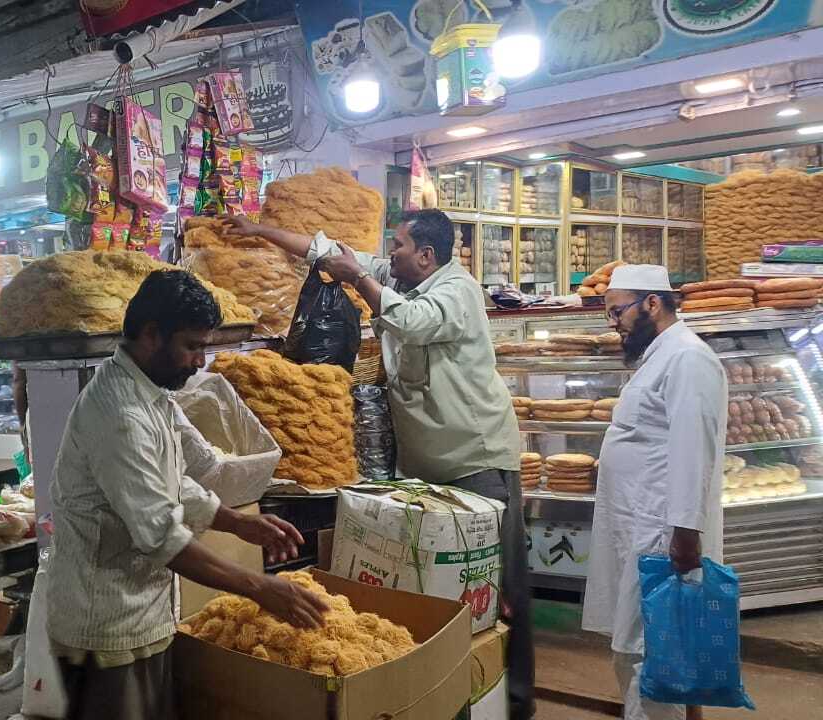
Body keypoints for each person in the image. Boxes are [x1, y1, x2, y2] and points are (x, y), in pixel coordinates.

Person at [223, 210, 533, 718]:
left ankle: (514, 703)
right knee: (444, 594)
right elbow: (328, 251)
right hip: (426, 467)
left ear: (426, 255)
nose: (390, 253)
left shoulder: (457, 291)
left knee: (500, 591)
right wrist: (261, 231)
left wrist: (359, 280)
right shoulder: (400, 275)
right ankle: (449, 695)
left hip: (475, 459)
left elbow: (409, 322)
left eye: (399, 245)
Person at [47, 269, 329, 720]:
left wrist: (238, 522)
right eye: (192, 346)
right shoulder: (120, 415)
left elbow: (173, 480)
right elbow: (161, 536)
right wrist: (259, 587)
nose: (200, 362)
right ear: (151, 334)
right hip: (107, 623)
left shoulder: (148, 392)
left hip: (142, 608)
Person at [583, 265, 728, 720]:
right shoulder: (660, 357)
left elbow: (693, 450)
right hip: (640, 527)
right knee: (651, 647)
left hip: (663, 534)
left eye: (617, 311)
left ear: (651, 303)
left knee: (654, 652)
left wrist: (685, 535)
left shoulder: (688, 358)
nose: (614, 324)